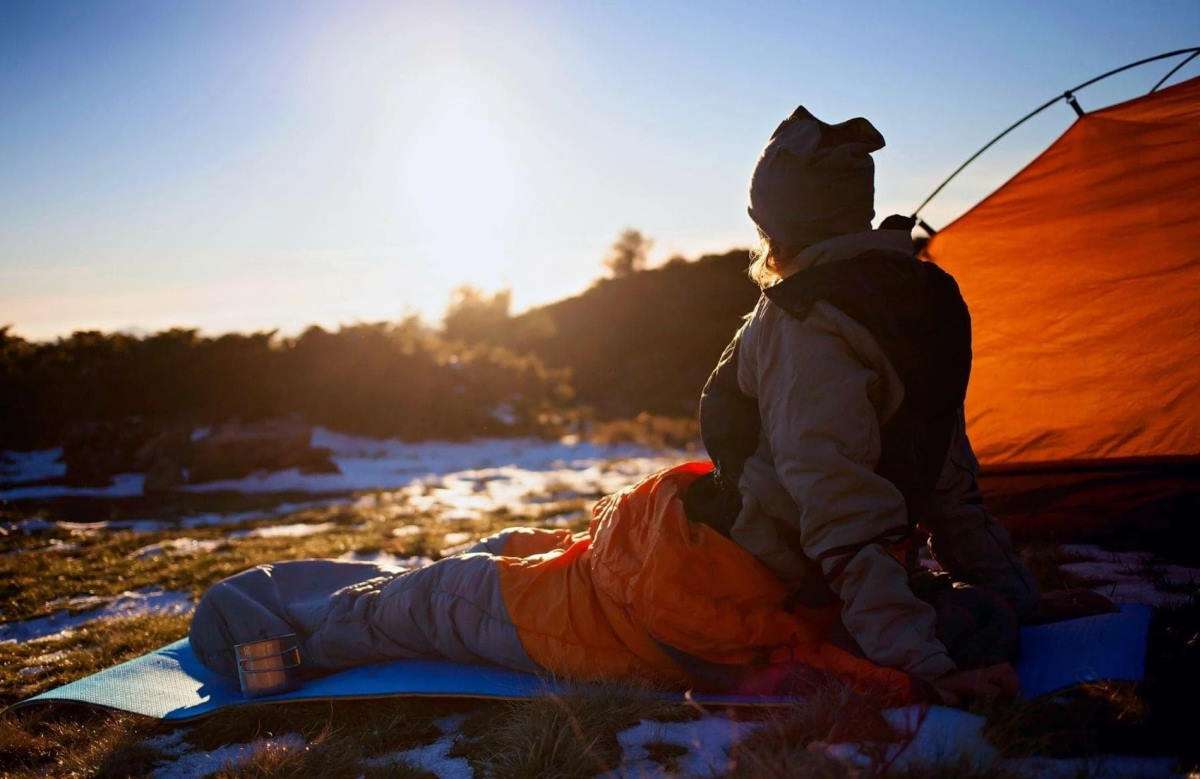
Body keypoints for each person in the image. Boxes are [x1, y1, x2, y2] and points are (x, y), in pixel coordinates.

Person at [190, 106, 1046, 706]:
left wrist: (919, 664)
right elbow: (948, 480)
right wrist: (1017, 596)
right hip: (708, 557)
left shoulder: (810, 320)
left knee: (437, 601)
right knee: (511, 547)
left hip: (706, 600)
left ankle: (270, 644)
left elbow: (839, 509)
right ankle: (415, 581)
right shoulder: (923, 302)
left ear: (775, 219)